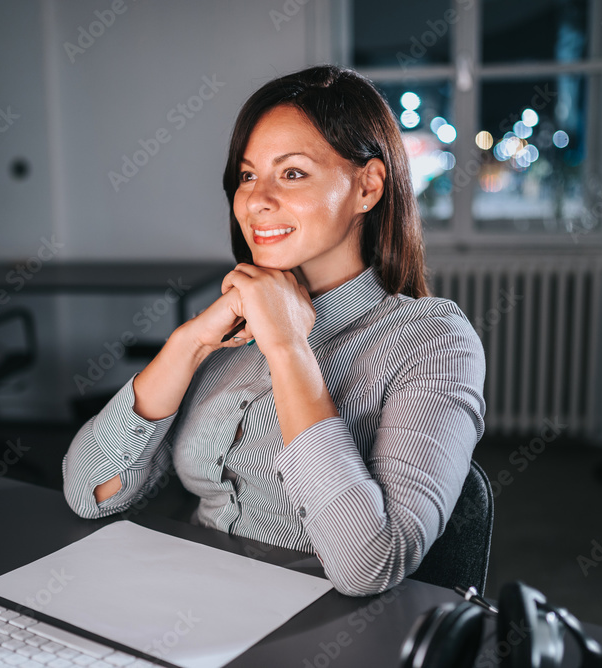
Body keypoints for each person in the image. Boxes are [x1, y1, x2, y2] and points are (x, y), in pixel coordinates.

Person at [63, 64, 486, 597]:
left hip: (323, 634)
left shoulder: (432, 340)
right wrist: (189, 342)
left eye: (292, 173)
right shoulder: (229, 331)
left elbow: (369, 564)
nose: (255, 200)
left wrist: (288, 349)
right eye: (246, 175)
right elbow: (88, 492)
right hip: (191, 605)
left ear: (368, 186)